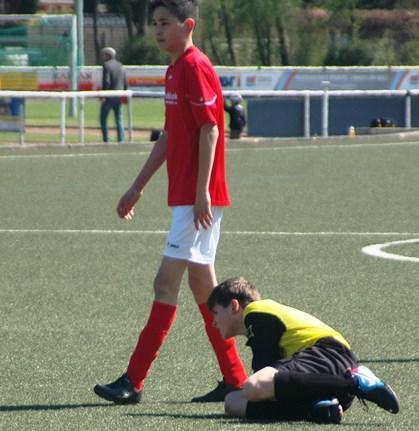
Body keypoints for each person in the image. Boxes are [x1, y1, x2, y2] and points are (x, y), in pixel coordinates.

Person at [93, 0, 248, 404]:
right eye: (155, 24)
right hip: (187, 196)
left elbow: (211, 129)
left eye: (165, 23)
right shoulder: (174, 69)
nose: (158, 30)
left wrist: (201, 192)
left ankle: (133, 381)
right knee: (204, 289)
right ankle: (235, 378)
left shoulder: (195, 66)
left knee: (165, 283)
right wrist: (137, 186)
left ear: (188, 25)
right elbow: (169, 135)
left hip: (196, 199)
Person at [207, 277, 399, 424]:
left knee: (254, 386)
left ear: (234, 306)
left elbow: (263, 375)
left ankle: (354, 383)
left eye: (215, 313)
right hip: (324, 384)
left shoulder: (256, 311)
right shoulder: (257, 323)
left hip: (327, 354)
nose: (214, 322)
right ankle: (316, 409)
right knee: (233, 402)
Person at [99, 47, 127, 143]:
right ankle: (121, 139)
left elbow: (106, 82)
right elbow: (125, 81)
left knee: (103, 117)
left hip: (110, 95)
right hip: (119, 95)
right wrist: (125, 93)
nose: (102, 57)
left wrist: (103, 95)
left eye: (104, 55)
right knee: (119, 118)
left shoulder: (106, 65)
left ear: (108, 55)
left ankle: (106, 139)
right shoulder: (120, 65)